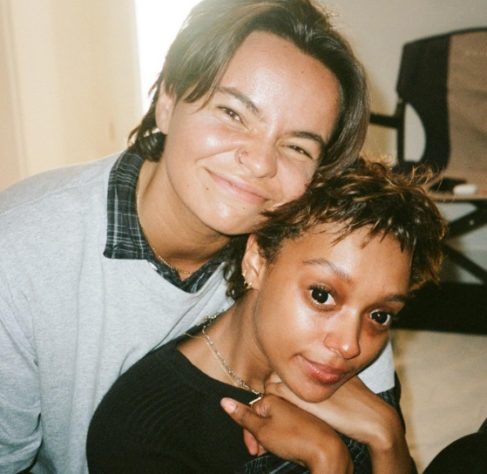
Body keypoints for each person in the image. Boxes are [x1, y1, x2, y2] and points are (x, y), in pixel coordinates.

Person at [1, 1, 396, 472]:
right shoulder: (19, 251)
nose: (260, 162)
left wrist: (385, 436)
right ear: (168, 101)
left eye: (296, 146)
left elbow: (377, 435)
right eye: (233, 113)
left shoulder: (319, 266)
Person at [86, 158, 447, 473]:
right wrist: (328, 460)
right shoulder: (143, 429)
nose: (349, 345)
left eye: (380, 315)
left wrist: (387, 437)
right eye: (322, 295)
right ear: (257, 261)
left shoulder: (347, 365)